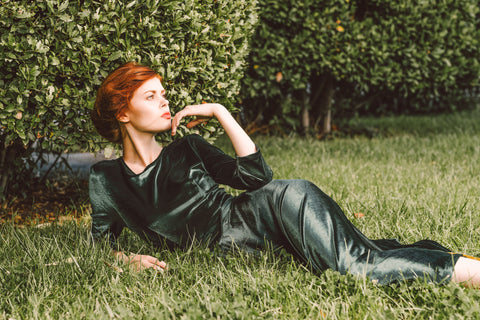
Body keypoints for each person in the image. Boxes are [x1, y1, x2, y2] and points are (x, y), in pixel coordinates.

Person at [90, 62, 480, 286]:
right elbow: (98, 245)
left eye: (163, 93)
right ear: (123, 113)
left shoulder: (187, 148)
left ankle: (471, 273)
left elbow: (257, 175)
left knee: (352, 268)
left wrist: (221, 113)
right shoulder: (106, 180)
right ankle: (447, 259)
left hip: (272, 208)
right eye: (150, 96)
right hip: (253, 244)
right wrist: (126, 259)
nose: (165, 101)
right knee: (361, 254)